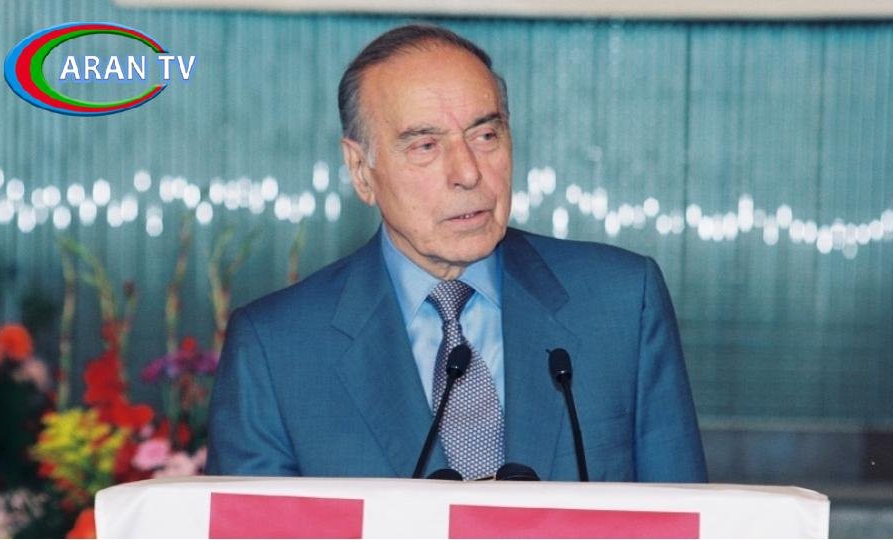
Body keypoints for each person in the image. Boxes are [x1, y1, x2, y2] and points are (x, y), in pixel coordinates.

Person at [206, 24, 707, 482]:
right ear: (361, 170)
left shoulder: (621, 303)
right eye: (425, 146)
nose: (468, 172)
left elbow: (685, 522)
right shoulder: (277, 350)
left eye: (485, 135)